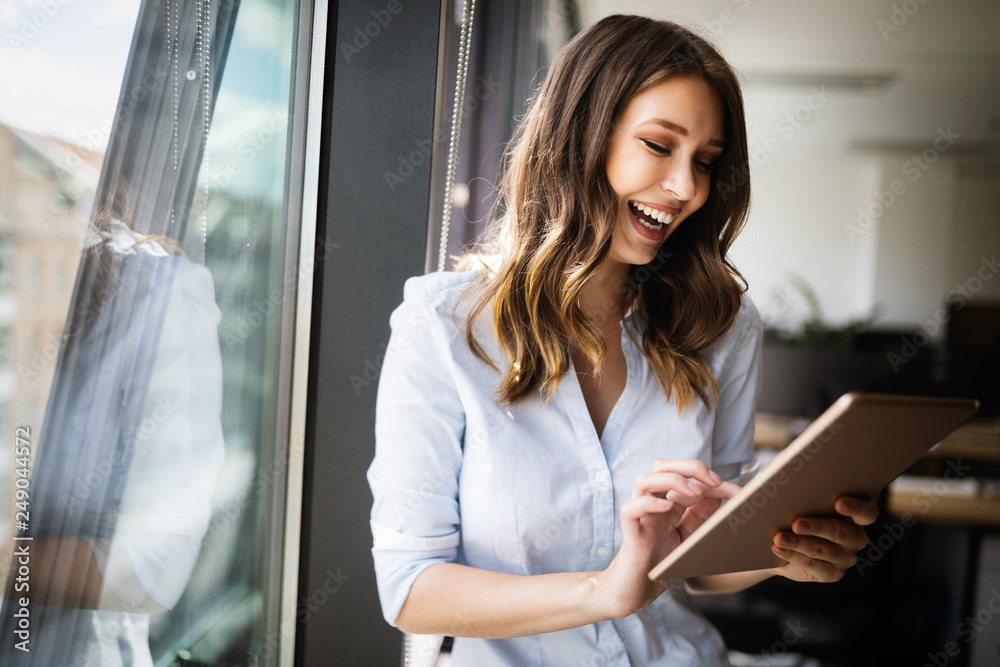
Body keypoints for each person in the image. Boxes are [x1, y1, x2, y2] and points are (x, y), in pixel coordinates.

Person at [368, 15, 877, 666]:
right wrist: (602, 592)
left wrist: (782, 557)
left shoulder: (720, 326)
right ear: (581, 136)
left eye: (706, 162)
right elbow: (410, 587)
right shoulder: (443, 328)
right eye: (660, 146)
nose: (688, 188)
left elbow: (698, 560)